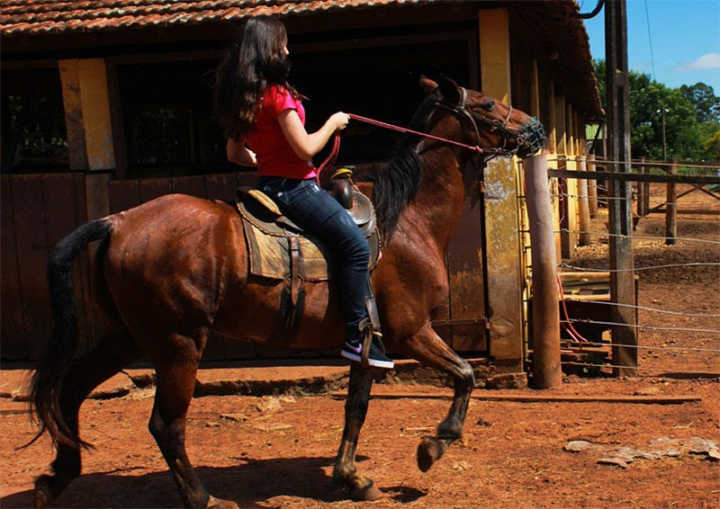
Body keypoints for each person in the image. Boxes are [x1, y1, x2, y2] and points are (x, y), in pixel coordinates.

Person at [214, 15, 393, 369]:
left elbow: (234, 154)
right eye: (282, 43)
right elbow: (307, 149)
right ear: (270, 48)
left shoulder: (246, 98)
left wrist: (265, 158)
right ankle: (358, 338)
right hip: (296, 190)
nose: (287, 49)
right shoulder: (278, 96)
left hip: (268, 186)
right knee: (356, 247)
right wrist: (335, 122)